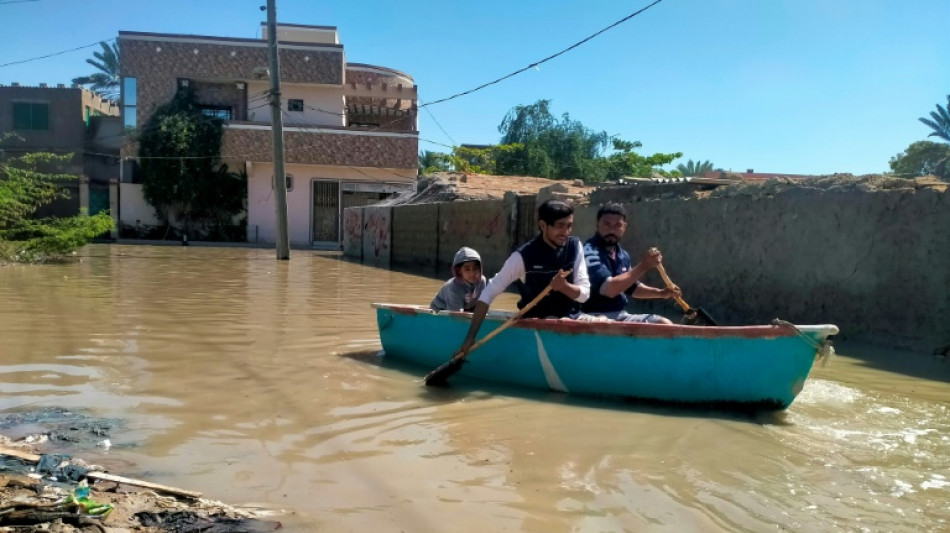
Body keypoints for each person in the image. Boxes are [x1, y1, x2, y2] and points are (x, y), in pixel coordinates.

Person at [454, 199, 590, 356]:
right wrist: (471, 337)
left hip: (573, 317)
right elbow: (487, 294)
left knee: (599, 319)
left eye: (569, 226)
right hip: (539, 321)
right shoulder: (523, 257)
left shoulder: (575, 247)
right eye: (560, 226)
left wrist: (564, 287)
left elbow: (584, 295)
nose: (566, 232)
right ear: (543, 225)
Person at [582, 203, 680, 324]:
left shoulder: (622, 255)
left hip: (619, 314)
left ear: (624, 227)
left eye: (618, 225)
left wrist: (662, 293)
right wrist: (644, 265)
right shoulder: (589, 252)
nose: (612, 230)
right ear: (597, 225)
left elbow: (631, 287)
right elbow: (610, 289)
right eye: (606, 225)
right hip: (593, 316)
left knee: (664, 324)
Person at [430, 247, 487, 312]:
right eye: (467, 269)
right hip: (441, 309)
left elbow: (481, 304)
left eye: (475, 268)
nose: (472, 273)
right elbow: (455, 314)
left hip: (466, 308)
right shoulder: (454, 288)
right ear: (459, 270)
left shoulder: (482, 282)